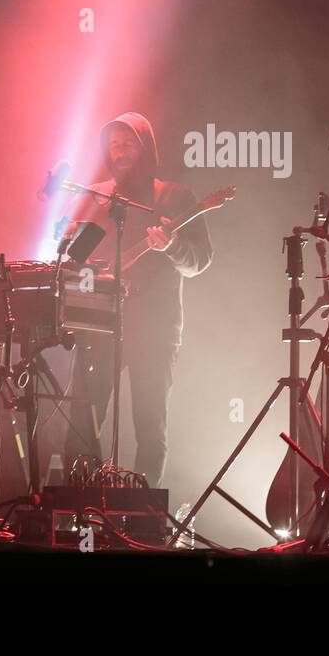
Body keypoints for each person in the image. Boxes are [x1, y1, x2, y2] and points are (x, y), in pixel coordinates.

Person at [60, 112, 212, 488]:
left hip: (155, 330)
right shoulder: (95, 196)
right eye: (113, 144)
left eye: (129, 142)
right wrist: (67, 238)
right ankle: (85, 508)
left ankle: (142, 525)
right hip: (97, 326)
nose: (120, 151)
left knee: (149, 425)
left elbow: (200, 260)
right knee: (83, 421)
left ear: (146, 147)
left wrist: (173, 245)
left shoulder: (175, 196)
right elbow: (72, 262)